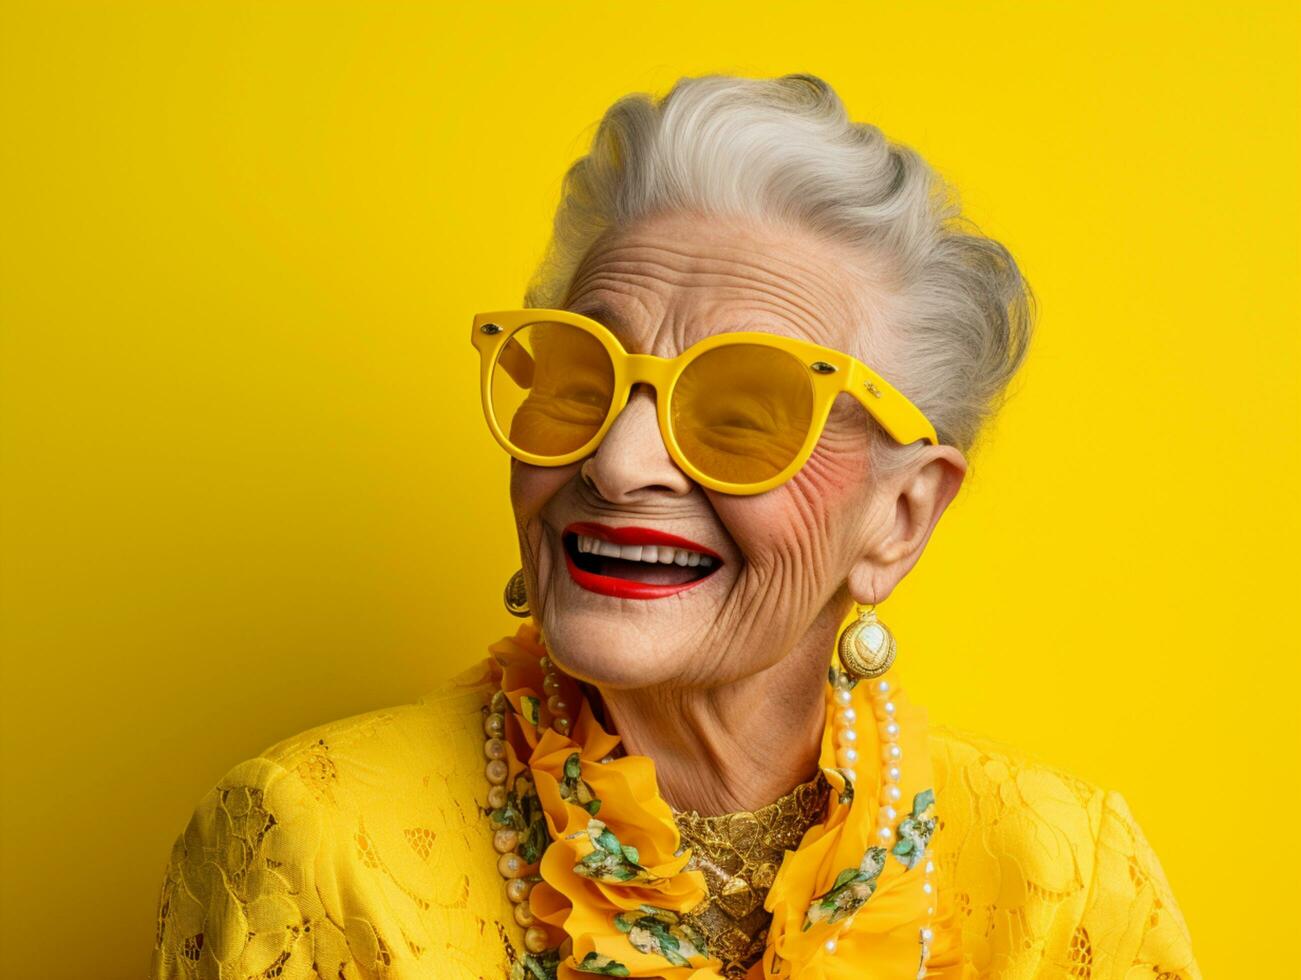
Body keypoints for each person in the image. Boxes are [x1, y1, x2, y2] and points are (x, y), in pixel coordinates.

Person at [150, 73, 1199, 979]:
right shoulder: (316, 840)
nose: (614, 460)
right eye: (579, 379)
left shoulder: (1059, 875)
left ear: (900, 513)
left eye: (740, 413)